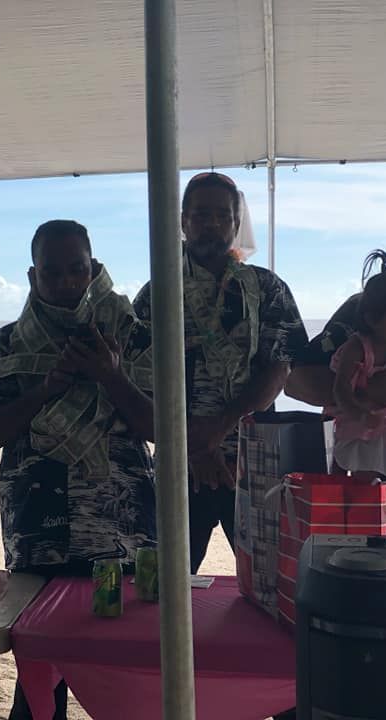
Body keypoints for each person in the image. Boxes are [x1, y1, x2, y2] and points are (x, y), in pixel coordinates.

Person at [0, 220, 156, 720]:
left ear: (93, 269)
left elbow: (161, 426)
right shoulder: (5, 345)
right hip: (39, 532)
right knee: (38, 673)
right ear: (33, 277)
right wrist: (47, 388)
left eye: (77, 269)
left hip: (120, 536)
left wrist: (110, 374)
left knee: (122, 668)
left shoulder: (132, 336)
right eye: (52, 272)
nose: (67, 283)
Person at [134, 172, 308, 573]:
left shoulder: (267, 288)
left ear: (235, 223)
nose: (211, 224)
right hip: (180, 464)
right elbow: (142, 381)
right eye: (200, 214)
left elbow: (279, 367)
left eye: (221, 215)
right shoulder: (157, 294)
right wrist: (196, 447)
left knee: (268, 578)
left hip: (254, 463)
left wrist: (218, 429)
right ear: (182, 221)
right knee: (168, 585)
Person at [327, 251, 386, 479]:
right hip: (357, 421)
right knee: (362, 471)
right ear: (372, 320)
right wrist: (358, 413)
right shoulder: (357, 347)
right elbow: (340, 389)